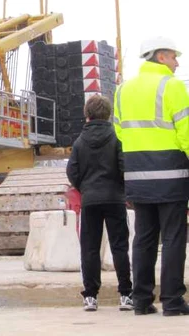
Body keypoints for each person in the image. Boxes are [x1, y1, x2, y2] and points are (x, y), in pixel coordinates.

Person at [113, 36, 189, 316]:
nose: (177, 62)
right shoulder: (172, 86)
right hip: (171, 175)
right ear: (159, 57)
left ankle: (142, 300)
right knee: (173, 238)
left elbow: (119, 132)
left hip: (137, 175)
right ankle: (172, 301)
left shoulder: (122, 90)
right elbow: (186, 133)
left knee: (143, 238)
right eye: (173, 57)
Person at [66, 95, 132, 312]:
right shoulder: (116, 138)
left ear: (87, 115)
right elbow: (124, 167)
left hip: (90, 200)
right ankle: (125, 294)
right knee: (119, 246)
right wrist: (121, 188)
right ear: (109, 114)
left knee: (90, 249)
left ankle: (91, 297)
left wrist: (85, 188)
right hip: (114, 198)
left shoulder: (79, 142)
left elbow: (72, 172)